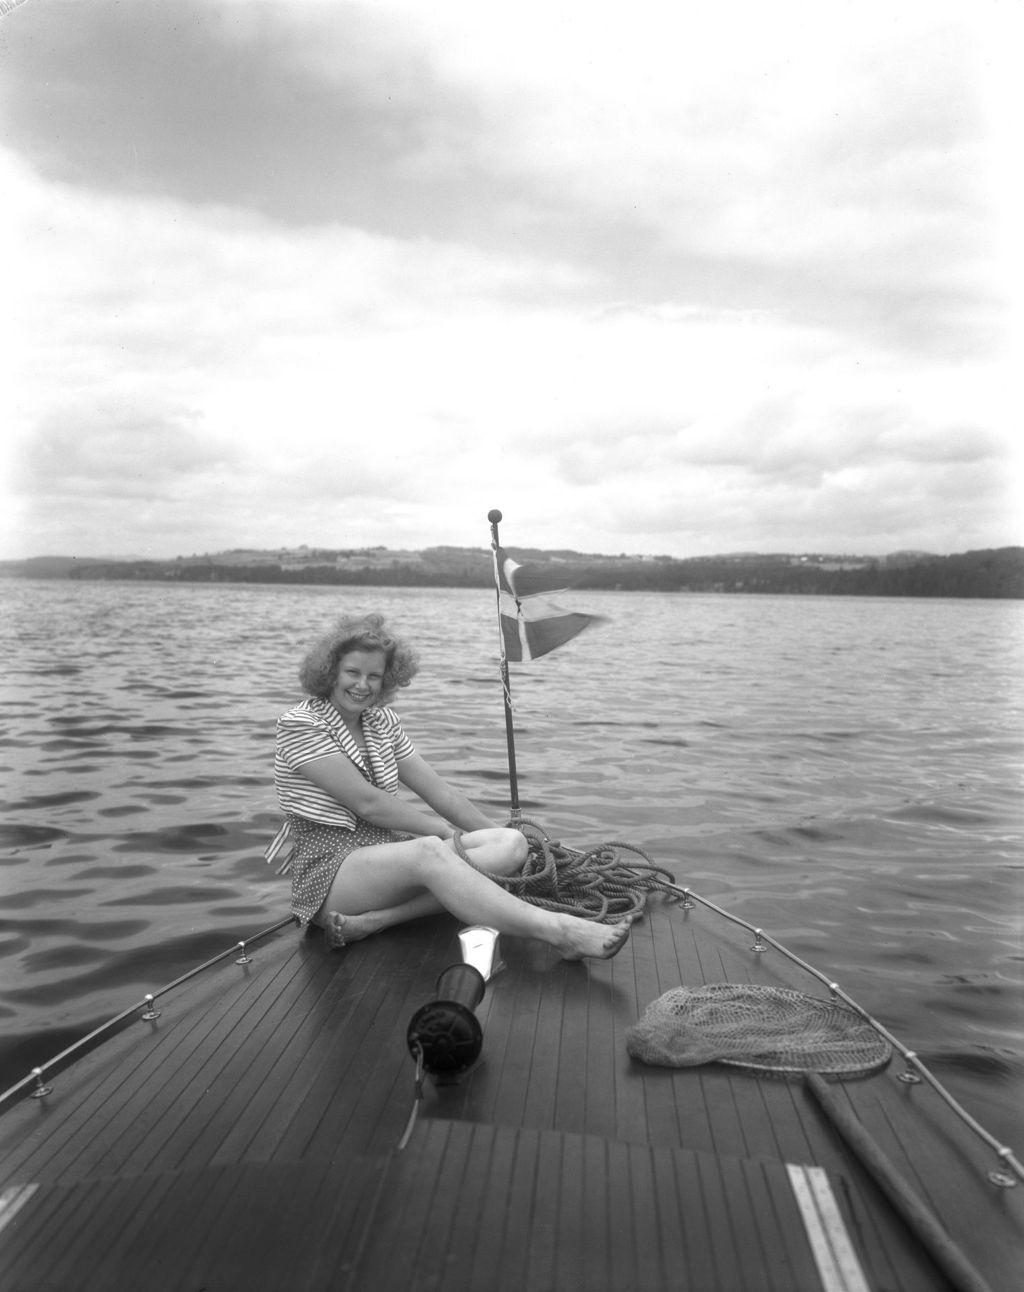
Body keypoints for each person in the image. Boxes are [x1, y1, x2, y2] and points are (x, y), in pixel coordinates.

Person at [274, 613, 632, 960]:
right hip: (329, 874)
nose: (362, 685)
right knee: (430, 849)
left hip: (387, 856)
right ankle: (560, 931)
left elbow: (440, 792)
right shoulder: (302, 725)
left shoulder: (381, 722)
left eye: (374, 675)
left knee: (510, 844)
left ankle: (376, 921)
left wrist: (520, 846)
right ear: (330, 671)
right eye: (352, 672)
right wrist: (441, 832)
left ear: (388, 680)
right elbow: (367, 803)